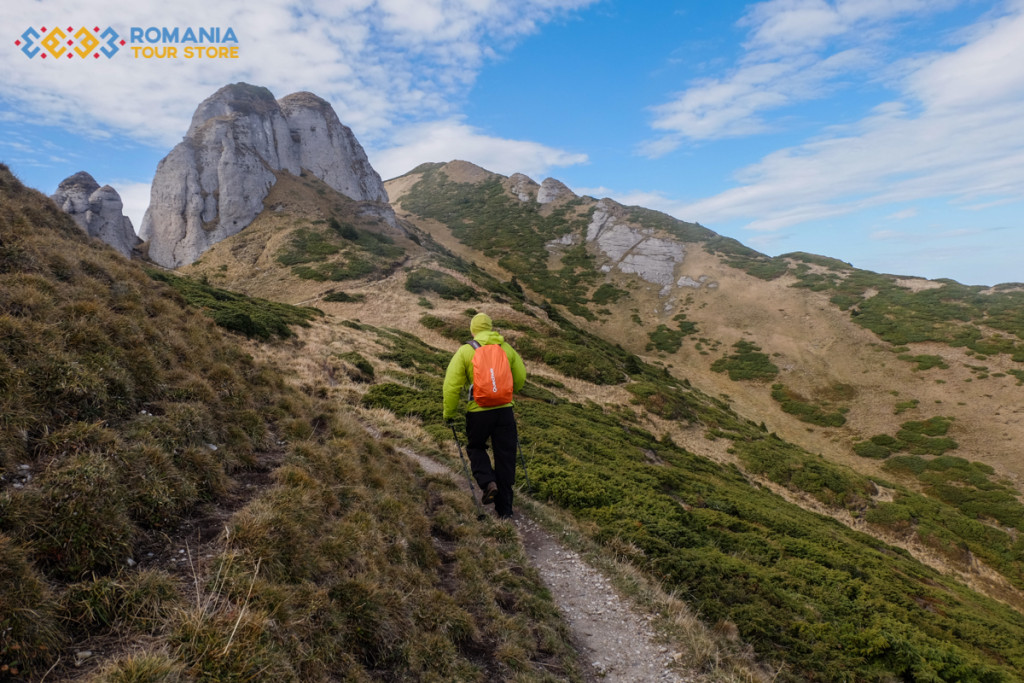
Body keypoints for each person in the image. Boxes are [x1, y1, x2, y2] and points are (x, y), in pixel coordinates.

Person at [443, 313, 526, 518]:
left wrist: (449, 413)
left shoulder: (465, 351)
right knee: (505, 457)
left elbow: (451, 386)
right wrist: (505, 392)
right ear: (491, 327)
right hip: (504, 411)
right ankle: (505, 511)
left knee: (476, 447)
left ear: (473, 330)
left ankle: (488, 482)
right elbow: (520, 377)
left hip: (478, 412)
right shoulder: (506, 348)